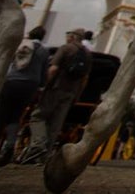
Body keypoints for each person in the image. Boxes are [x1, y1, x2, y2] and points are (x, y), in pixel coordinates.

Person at [0, 25, 49, 166]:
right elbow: (44, 73)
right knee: (15, 117)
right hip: (30, 86)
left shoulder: (21, 45)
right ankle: (10, 144)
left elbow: (6, 62)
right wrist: (41, 86)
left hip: (12, 81)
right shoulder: (44, 51)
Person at [20, 28, 92, 163]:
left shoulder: (65, 48)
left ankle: (38, 144)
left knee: (37, 116)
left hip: (56, 88)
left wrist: (44, 86)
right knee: (56, 124)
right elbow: (85, 78)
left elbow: (53, 69)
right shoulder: (88, 54)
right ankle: (44, 157)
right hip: (71, 93)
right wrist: (78, 95)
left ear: (72, 37)